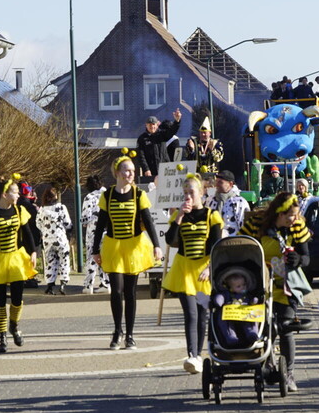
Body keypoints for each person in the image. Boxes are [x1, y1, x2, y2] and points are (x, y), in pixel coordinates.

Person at [239, 191, 313, 392]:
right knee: (264, 329)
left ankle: (288, 373)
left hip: (286, 285)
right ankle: (266, 365)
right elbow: (240, 246)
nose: (294, 219)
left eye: (296, 215)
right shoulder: (256, 224)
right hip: (260, 284)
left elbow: (307, 257)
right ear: (280, 213)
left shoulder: (297, 226)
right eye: (291, 215)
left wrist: (298, 259)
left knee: (285, 328)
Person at [92, 152, 163, 350]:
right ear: (117, 172)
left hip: (134, 246)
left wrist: (156, 245)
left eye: (132, 170)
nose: (130, 174)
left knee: (130, 292)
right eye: (126, 170)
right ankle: (117, 331)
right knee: (116, 291)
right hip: (113, 246)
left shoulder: (139, 195)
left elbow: (148, 221)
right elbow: (100, 224)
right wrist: (95, 250)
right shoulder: (107, 196)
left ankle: (130, 334)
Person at [163, 175, 223, 373]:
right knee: (190, 313)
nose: (188, 196)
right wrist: (179, 216)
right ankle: (192, 355)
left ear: (202, 193)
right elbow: (170, 240)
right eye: (185, 193)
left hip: (204, 270)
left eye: (192, 192)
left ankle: (198, 355)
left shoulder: (211, 215)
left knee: (202, 315)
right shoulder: (179, 215)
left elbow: (216, 246)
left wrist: (210, 268)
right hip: (184, 269)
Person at [0, 175, 38, 353]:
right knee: (0, 299)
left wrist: (33, 252)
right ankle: (1, 334)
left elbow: (27, 233)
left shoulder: (19, 210)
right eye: (15, 192)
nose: (18, 195)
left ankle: (14, 325)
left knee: (18, 298)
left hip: (17, 257)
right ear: (5, 194)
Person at [211, 269, 262, 348]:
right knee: (223, 319)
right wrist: (219, 301)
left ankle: (252, 333)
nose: (243, 287)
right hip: (230, 315)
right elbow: (220, 298)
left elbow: (253, 300)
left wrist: (254, 301)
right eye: (238, 286)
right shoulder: (227, 294)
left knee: (252, 317)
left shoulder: (247, 294)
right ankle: (231, 337)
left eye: (244, 285)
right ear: (230, 288)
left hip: (245, 314)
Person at [37, 187, 73, 295]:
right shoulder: (61, 207)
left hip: (47, 239)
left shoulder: (42, 210)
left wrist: (45, 230)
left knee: (50, 261)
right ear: (56, 196)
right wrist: (68, 229)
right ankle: (63, 284)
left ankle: (50, 285)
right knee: (64, 260)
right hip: (60, 238)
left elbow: (38, 223)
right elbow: (67, 223)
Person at [81, 175, 109, 293]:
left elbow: (85, 217)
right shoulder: (107, 194)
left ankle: (89, 286)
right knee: (105, 257)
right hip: (107, 230)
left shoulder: (89, 197)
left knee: (92, 257)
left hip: (93, 231)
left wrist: (84, 222)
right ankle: (105, 284)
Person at [136, 109, 182, 182]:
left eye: (153, 124)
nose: (152, 127)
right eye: (149, 125)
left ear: (157, 125)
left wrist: (177, 121)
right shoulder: (142, 139)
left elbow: (172, 131)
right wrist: (146, 169)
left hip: (165, 168)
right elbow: (141, 156)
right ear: (146, 125)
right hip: (151, 171)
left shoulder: (162, 134)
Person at [206, 170, 250, 237]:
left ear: (230, 184)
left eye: (220, 182)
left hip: (233, 239)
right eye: (216, 181)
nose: (216, 184)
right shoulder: (210, 200)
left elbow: (243, 226)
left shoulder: (239, 202)